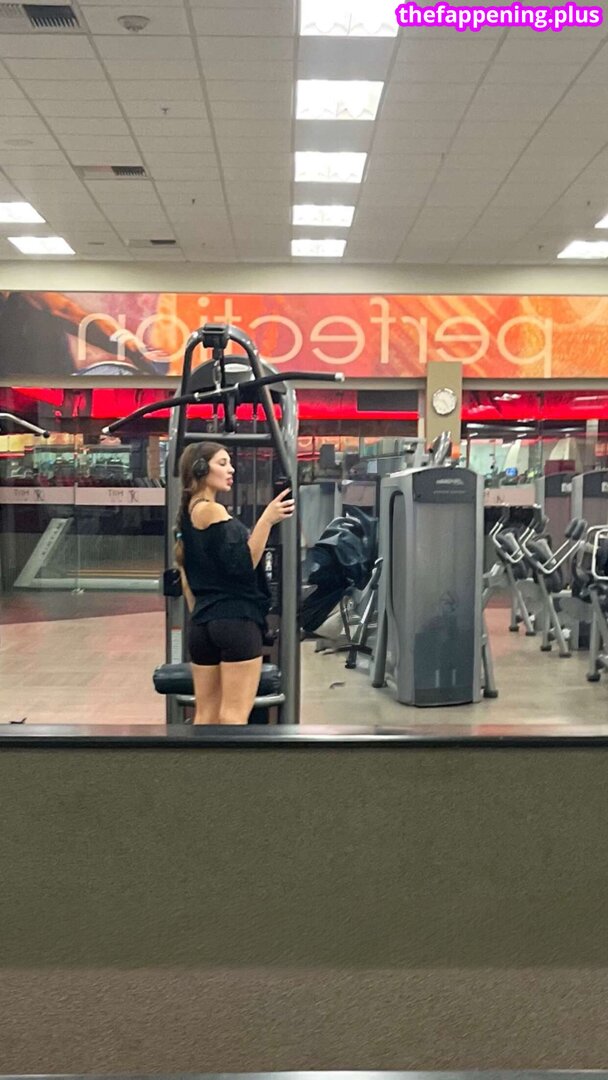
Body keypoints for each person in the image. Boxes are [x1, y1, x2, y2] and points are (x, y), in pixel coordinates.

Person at [174, 441, 295, 725]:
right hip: (236, 623)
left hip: (202, 626)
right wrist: (267, 520)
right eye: (222, 463)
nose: (231, 470)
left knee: (205, 714)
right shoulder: (212, 511)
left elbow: (187, 583)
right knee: (234, 717)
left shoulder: (187, 516)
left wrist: (204, 616)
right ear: (201, 469)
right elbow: (244, 564)